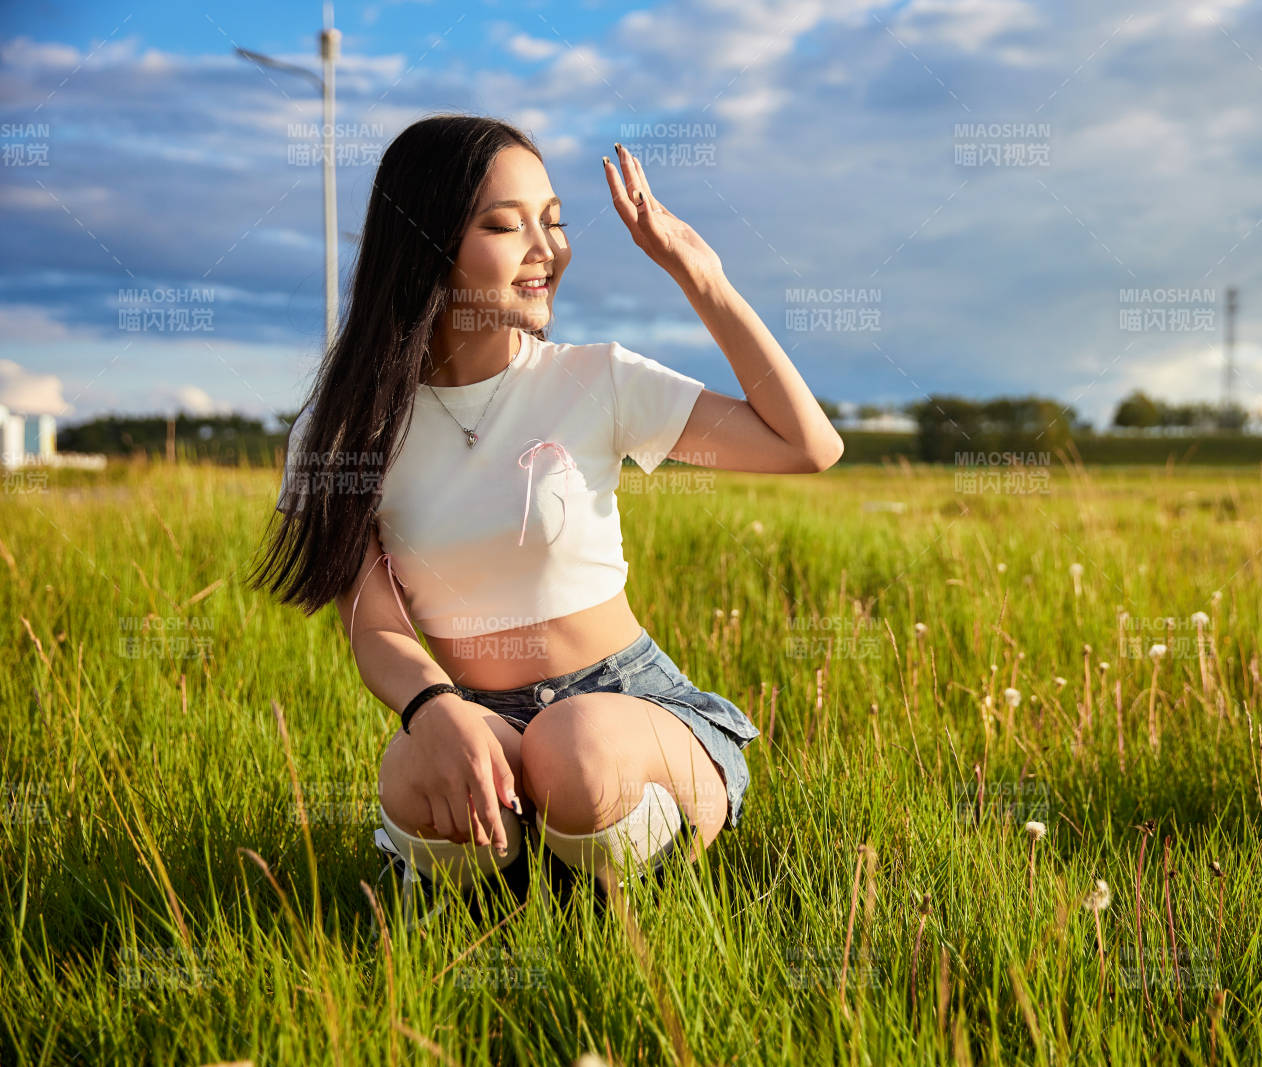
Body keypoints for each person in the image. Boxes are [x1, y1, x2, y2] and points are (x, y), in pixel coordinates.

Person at [249, 114, 842, 916]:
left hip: (627, 708)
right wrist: (434, 710)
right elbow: (374, 625)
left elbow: (806, 445)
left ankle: (607, 874)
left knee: (575, 747)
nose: (547, 248)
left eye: (554, 221)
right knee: (411, 774)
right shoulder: (343, 428)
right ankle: (533, 889)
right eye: (505, 224)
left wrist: (701, 276)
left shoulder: (597, 379)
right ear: (428, 244)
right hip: (475, 711)